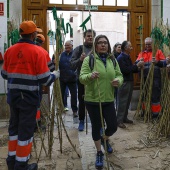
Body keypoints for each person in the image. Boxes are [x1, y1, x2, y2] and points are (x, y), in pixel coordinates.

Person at [1, 20, 60, 170]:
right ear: (34, 34)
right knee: (26, 131)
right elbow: (45, 79)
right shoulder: (38, 52)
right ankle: (21, 165)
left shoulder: (10, 50)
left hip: (13, 97)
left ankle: (11, 161)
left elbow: (4, 74)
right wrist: (55, 75)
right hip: (28, 98)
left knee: (13, 129)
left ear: (21, 33)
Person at [79, 35, 123, 169]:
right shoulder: (89, 60)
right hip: (93, 100)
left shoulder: (113, 60)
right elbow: (81, 78)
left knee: (113, 126)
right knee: (97, 126)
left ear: (108, 46)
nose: (103, 45)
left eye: (105, 43)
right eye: (100, 43)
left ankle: (105, 139)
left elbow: (119, 75)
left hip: (108, 99)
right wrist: (90, 76)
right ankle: (99, 152)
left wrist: (118, 81)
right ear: (95, 46)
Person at [70, 29, 96, 131]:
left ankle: (97, 122)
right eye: (88, 36)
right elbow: (71, 65)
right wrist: (80, 60)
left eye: (92, 36)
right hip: (82, 80)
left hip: (95, 79)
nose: (90, 37)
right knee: (82, 101)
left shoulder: (97, 49)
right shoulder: (79, 49)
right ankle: (81, 120)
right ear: (84, 37)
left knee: (96, 100)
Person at [136, 37, 167, 118]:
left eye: (149, 44)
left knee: (155, 95)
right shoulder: (142, 53)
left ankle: (155, 115)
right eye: (146, 44)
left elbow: (164, 63)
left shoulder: (158, 52)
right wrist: (139, 62)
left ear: (152, 44)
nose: (147, 46)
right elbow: (136, 64)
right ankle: (145, 112)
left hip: (155, 78)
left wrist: (157, 62)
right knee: (144, 94)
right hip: (144, 78)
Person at [117, 41, 144, 129]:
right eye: (130, 46)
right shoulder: (121, 58)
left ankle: (124, 118)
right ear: (125, 48)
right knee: (122, 101)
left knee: (127, 101)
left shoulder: (127, 56)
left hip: (129, 81)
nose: (132, 48)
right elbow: (125, 70)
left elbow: (131, 68)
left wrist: (138, 66)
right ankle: (119, 120)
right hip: (124, 82)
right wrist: (136, 66)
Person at [35, 33, 55, 127]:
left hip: (16, 86)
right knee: (36, 105)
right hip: (36, 83)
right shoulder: (43, 52)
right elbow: (51, 68)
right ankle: (37, 124)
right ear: (42, 42)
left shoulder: (18, 48)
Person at [59, 40, 78, 117]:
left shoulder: (75, 54)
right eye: (65, 46)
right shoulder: (62, 54)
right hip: (62, 78)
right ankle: (63, 107)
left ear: (72, 46)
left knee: (74, 96)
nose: (66, 47)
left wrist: (75, 74)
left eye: (68, 46)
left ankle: (74, 110)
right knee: (62, 94)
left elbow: (77, 64)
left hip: (72, 78)